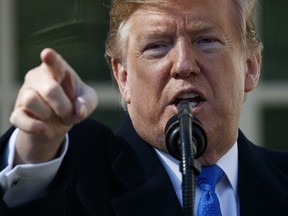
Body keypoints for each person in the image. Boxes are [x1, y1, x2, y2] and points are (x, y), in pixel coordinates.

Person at [0, 0, 287, 215]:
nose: (184, 65)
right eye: (157, 46)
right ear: (123, 78)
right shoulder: (81, 173)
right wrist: (36, 146)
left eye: (206, 40)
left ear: (250, 66)